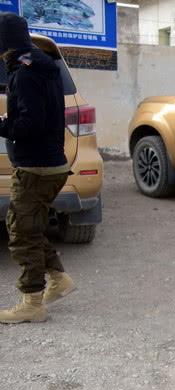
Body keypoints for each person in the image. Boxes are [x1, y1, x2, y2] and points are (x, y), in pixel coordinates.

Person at [0, 13, 75, 324]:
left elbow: (31, 124)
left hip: (36, 166)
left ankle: (32, 302)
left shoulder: (25, 74)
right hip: (51, 163)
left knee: (20, 233)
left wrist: (3, 126)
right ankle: (59, 279)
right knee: (28, 226)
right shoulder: (43, 67)